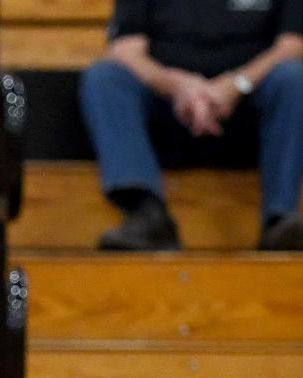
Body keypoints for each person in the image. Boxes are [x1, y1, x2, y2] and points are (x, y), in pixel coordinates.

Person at [81, 0, 303, 251]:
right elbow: (125, 50)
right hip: (167, 109)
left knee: (294, 78)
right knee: (105, 77)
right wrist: (179, 87)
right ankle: (146, 214)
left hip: (251, 110)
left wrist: (235, 85)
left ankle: (280, 220)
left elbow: (292, 46)